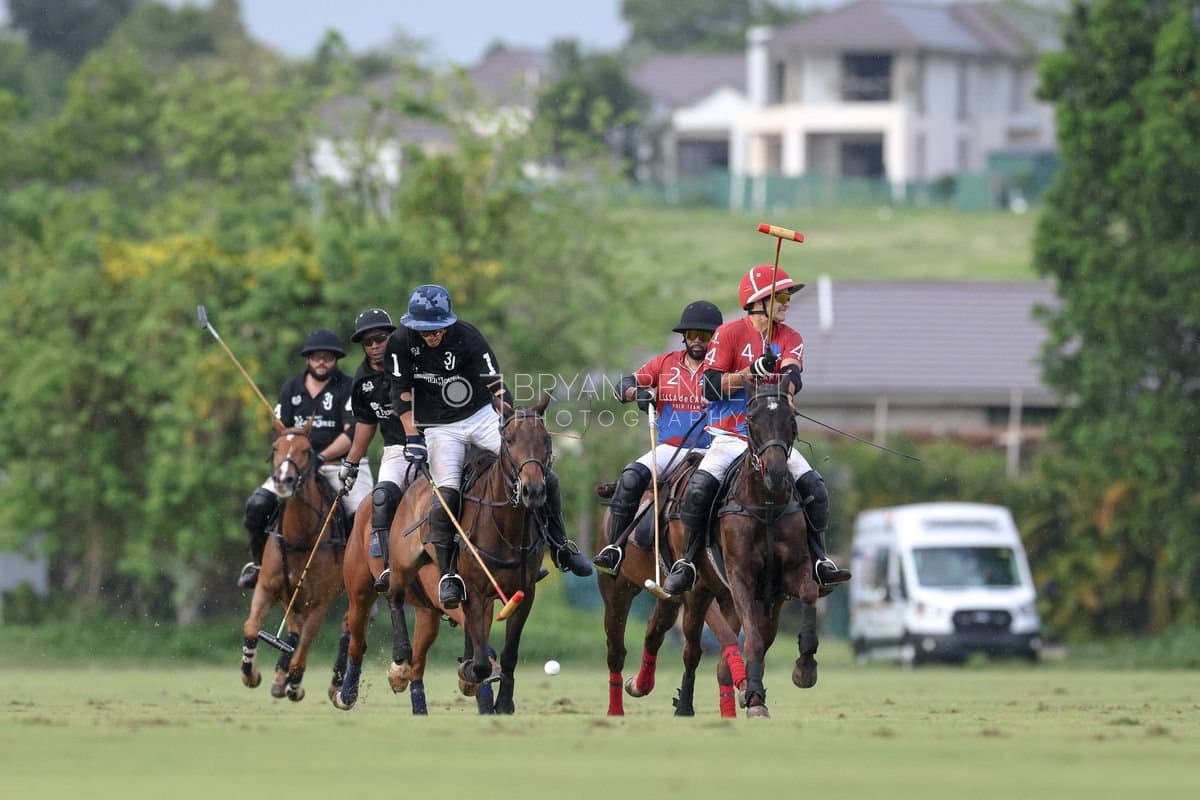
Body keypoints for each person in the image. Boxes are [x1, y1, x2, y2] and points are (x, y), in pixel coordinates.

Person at [386, 284, 593, 609]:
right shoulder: (400, 342)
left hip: (480, 416)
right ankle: (449, 574)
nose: (432, 336)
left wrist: (507, 421)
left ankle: (559, 547)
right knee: (448, 492)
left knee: (536, 474)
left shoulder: (468, 337)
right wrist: (413, 438)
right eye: (425, 331)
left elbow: (495, 384)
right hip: (440, 428)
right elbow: (401, 395)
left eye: (438, 329)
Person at [660, 265, 852, 595]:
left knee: (815, 488)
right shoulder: (729, 334)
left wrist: (784, 387)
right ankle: (688, 562)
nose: (787, 302)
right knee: (698, 489)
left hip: (770, 439)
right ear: (758, 300)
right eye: (780, 296)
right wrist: (749, 372)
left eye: (788, 296)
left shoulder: (790, 337)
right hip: (729, 437)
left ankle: (819, 560)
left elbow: (794, 376)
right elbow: (709, 386)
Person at [593, 300, 723, 576]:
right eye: (692, 336)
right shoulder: (665, 363)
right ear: (684, 338)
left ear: (716, 338)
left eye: (706, 336)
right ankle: (616, 549)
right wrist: (636, 394)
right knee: (631, 477)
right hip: (671, 450)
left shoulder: (724, 368)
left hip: (715, 449)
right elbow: (625, 384)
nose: (698, 341)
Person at [236, 328, 374, 589]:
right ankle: (258, 565)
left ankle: (366, 577)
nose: (322, 362)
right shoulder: (291, 389)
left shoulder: (347, 387)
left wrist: (320, 457)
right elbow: (280, 435)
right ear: (308, 359)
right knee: (256, 506)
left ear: (336, 360)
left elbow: (352, 433)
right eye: (316, 357)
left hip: (341, 465)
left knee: (362, 517)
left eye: (328, 357)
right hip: (296, 466)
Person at [336, 308, 419, 592]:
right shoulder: (362, 381)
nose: (374, 346)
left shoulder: (413, 360)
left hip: (437, 439)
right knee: (382, 497)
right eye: (367, 342)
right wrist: (351, 463)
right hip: (396, 449)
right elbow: (366, 424)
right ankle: (386, 567)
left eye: (380, 338)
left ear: (391, 336)